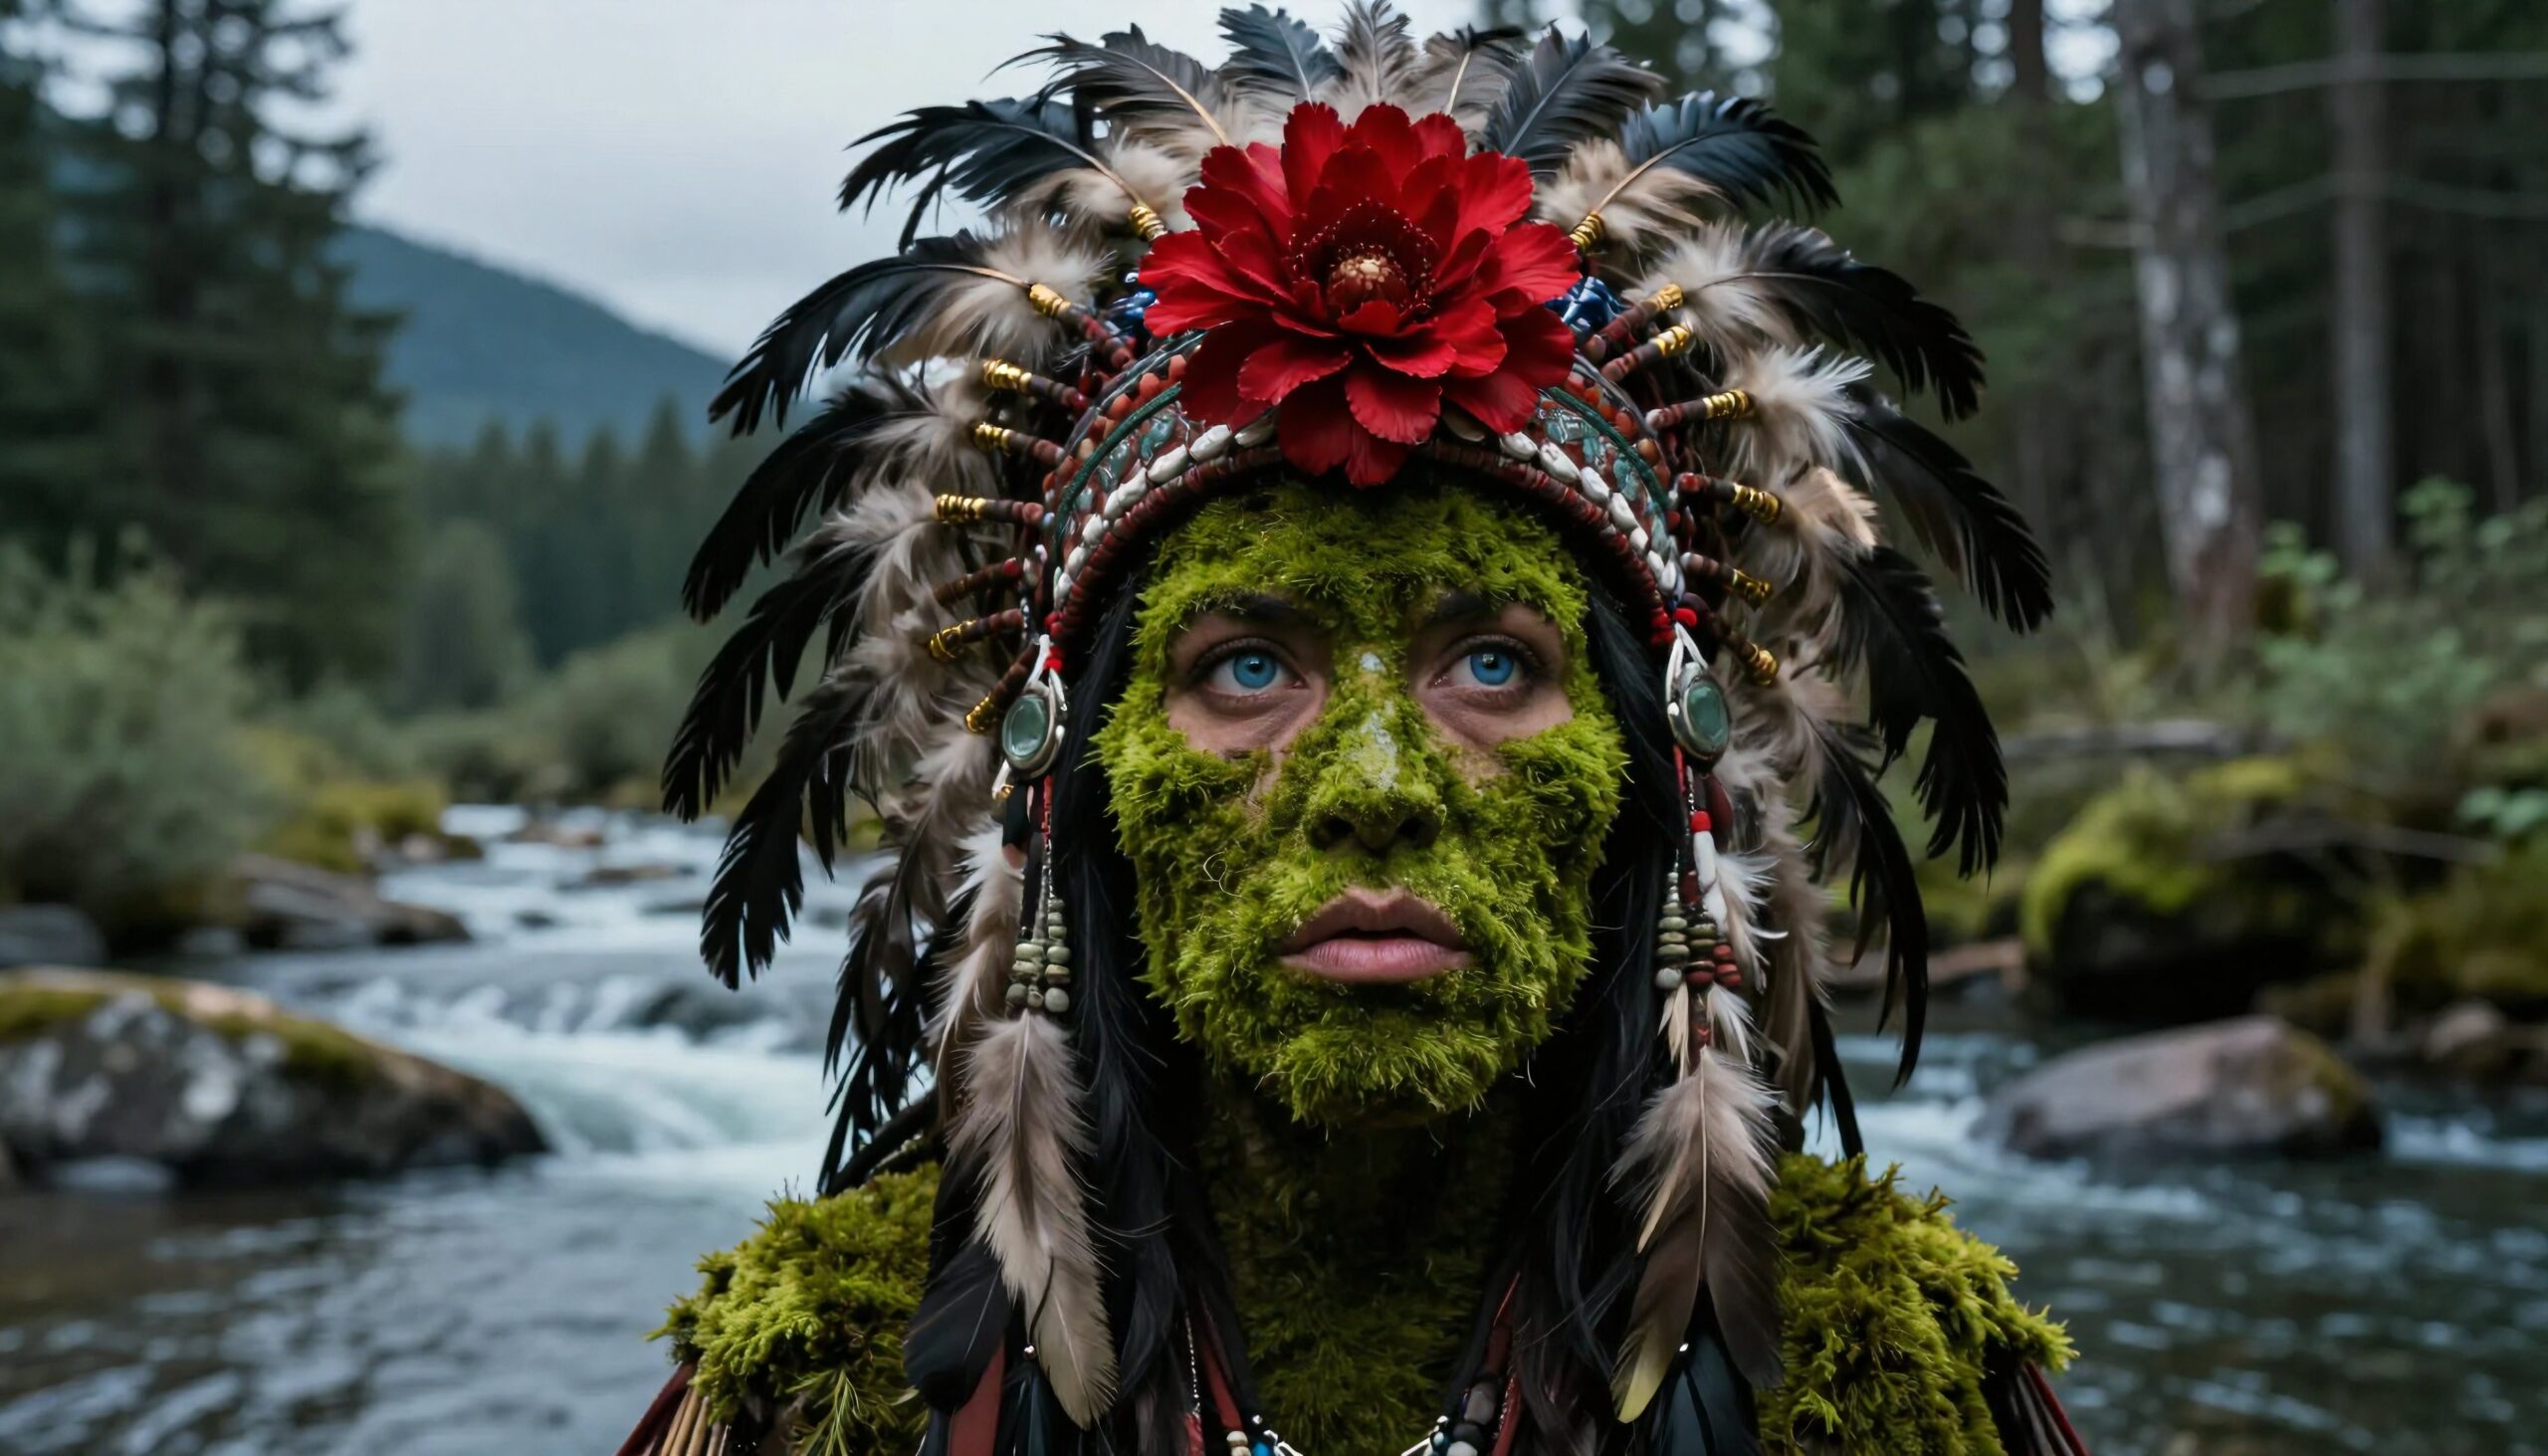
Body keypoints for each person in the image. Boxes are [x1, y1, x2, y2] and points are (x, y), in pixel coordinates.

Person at [624, 9, 2087, 1454]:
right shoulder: (823, 1381)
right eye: (1248, 667)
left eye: (1497, 668)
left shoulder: (1891, 1379)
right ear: (1072, 773)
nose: (1375, 789)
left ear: (1656, 775)